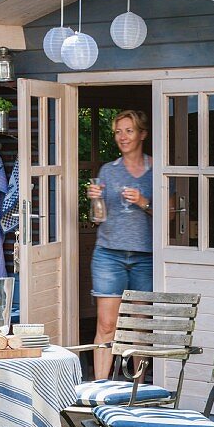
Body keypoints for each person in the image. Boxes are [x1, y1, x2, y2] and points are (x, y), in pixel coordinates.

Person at [86, 109, 153, 380]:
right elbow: (97, 217)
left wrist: (142, 201)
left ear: (142, 134)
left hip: (145, 256)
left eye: (129, 130)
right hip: (108, 254)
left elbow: (173, 213)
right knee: (106, 324)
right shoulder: (108, 171)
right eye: (118, 132)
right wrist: (93, 199)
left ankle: (136, 391)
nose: (122, 137)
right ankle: (99, 392)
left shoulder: (157, 169)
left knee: (138, 326)